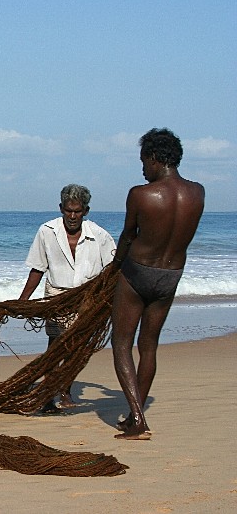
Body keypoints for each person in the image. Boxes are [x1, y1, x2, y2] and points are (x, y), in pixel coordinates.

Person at [110, 128, 204, 440]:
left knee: (122, 343)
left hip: (138, 272)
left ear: (154, 158)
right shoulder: (198, 193)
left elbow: (128, 236)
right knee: (148, 345)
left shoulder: (141, 194)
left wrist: (114, 266)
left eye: (143, 161)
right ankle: (134, 415)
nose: (142, 169)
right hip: (171, 276)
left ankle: (137, 419)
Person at [19, 184, 116, 411]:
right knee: (55, 345)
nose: (72, 216)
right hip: (56, 297)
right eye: (68, 210)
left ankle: (65, 390)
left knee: (77, 348)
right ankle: (49, 394)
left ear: (86, 211)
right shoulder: (46, 231)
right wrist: (23, 301)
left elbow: (113, 272)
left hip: (87, 299)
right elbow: (37, 269)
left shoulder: (100, 236)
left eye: (78, 211)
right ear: (61, 208)